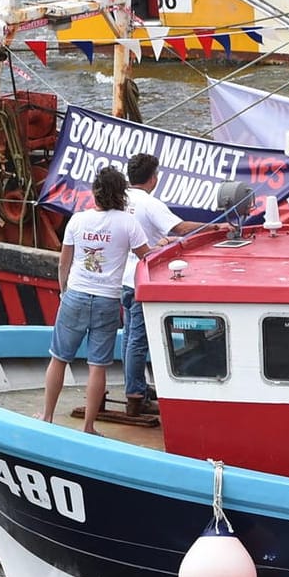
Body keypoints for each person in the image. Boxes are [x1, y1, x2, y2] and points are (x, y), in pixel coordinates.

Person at [41, 166, 150, 432]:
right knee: (97, 366)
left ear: (95, 192)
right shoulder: (128, 223)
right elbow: (147, 256)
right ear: (121, 193)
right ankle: (89, 426)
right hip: (107, 300)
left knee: (58, 358)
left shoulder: (77, 220)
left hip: (75, 295)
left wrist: (63, 291)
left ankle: (47, 417)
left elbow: (63, 262)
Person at [120, 153, 203, 417]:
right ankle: (136, 395)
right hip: (142, 279)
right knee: (138, 340)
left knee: (129, 338)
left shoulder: (120, 200)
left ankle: (135, 385)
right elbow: (179, 229)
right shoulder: (150, 204)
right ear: (153, 178)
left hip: (123, 277)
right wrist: (217, 226)